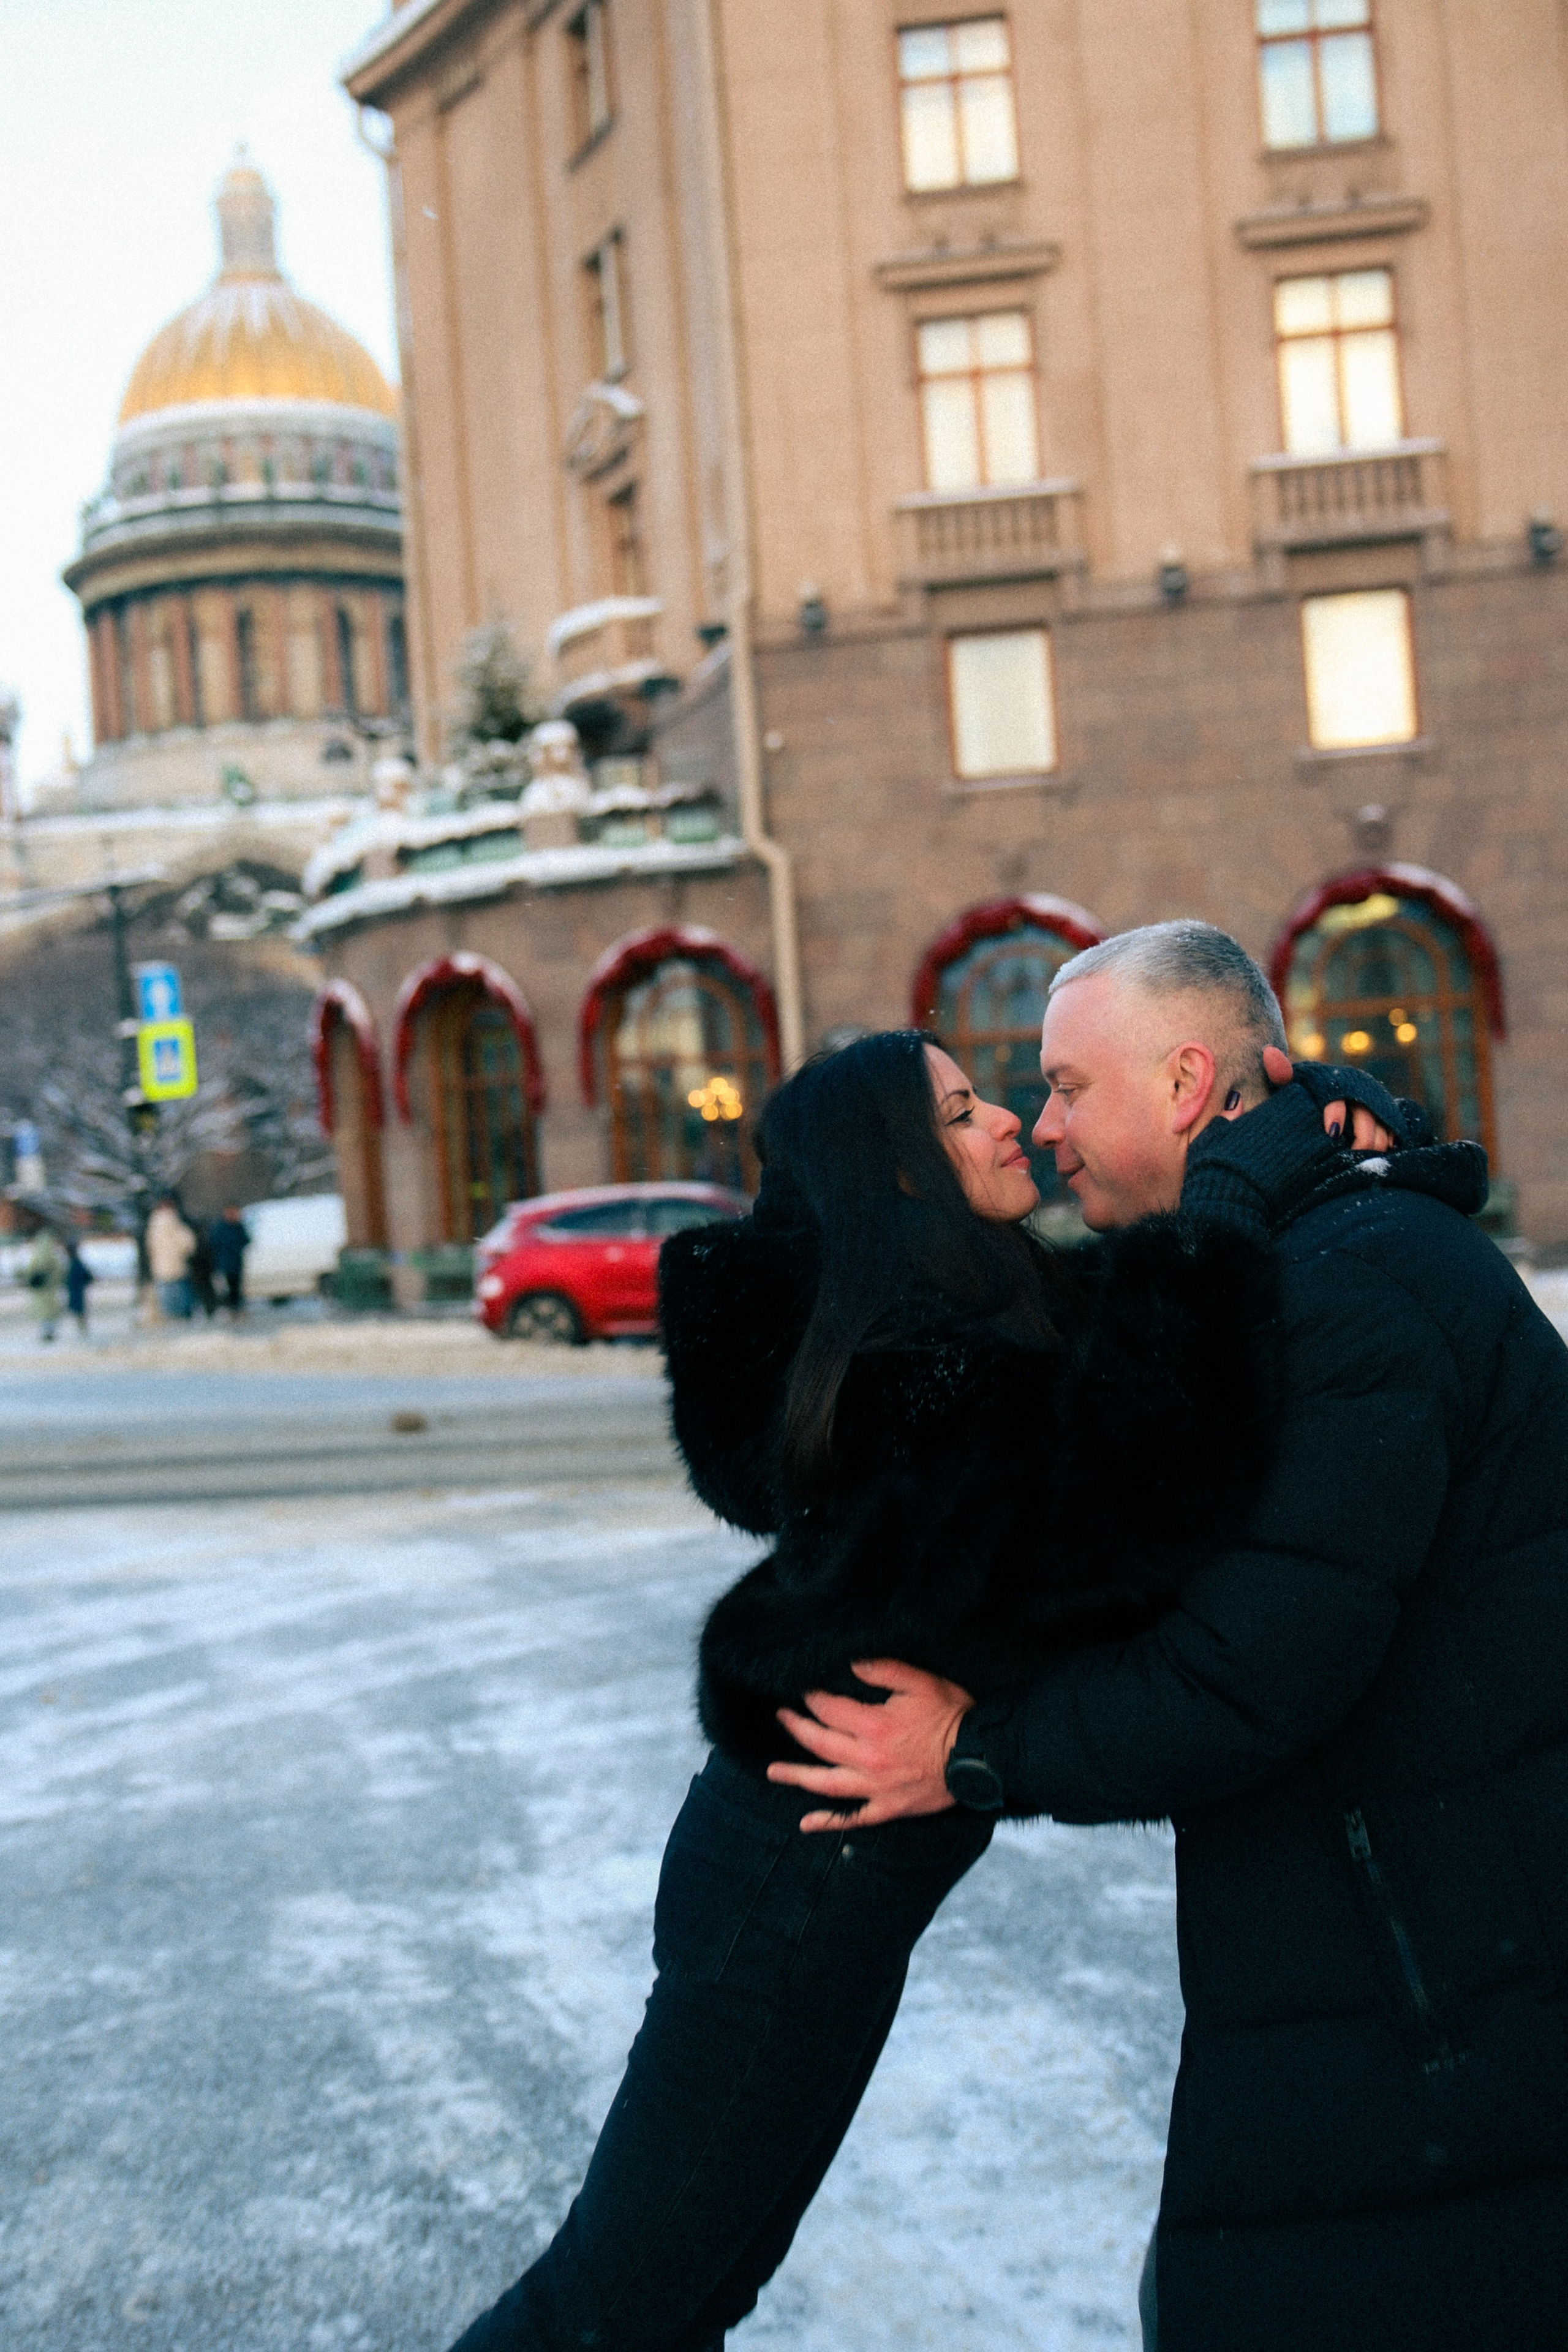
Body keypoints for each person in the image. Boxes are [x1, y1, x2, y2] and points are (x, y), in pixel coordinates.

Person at [445, 1022, 1385, 2352]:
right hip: (789, 1880)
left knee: (697, 2290)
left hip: (819, 1880)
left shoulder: (975, 1320)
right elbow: (1147, 1491)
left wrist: (1291, 1129)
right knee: (614, 2304)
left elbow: (1133, 1339)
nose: (1008, 1120)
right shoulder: (913, 1381)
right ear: (894, 1176)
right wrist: (1225, 1207)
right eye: (956, 1116)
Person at [771, 922, 1568, 2352]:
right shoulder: (1299, 1254)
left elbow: (1243, 1670)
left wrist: (968, 1749)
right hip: (1404, 1973)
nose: (1045, 1122)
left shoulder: (1342, 1284)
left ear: (1191, 1082)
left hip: (1427, 2002)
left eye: (1069, 1084)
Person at [145, 1193, 197, 1319]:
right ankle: (181, 1313)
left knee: (167, 1290)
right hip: (176, 1262)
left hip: (161, 1263)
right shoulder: (177, 1221)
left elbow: (151, 1246)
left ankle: (171, 1313)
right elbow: (188, 1242)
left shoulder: (153, 1224)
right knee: (179, 1290)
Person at [24, 1223, 66, 1343]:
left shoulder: (35, 1257)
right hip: (50, 1292)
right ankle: (50, 1332)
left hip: (40, 1292)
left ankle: (46, 1332)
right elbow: (59, 1274)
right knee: (50, 1313)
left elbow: (29, 1273)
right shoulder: (53, 1258)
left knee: (43, 1313)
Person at [206, 1204, 249, 1316]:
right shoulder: (220, 1227)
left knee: (236, 1288)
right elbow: (214, 1243)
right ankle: (230, 1309)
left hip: (236, 1263)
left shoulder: (238, 1226)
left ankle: (237, 1308)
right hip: (224, 1263)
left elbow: (246, 1240)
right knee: (226, 1289)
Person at [64, 1235, 94, 1338]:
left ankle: (83, 1331)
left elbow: (87, 1276)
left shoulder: (74, 1264)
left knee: (79, 1312)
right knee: (79, 1312)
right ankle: (83, 1330)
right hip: (77, 1291)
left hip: (76, 1292)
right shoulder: (75, 1263)